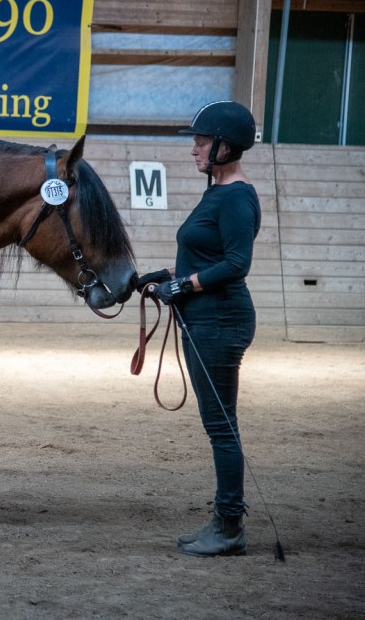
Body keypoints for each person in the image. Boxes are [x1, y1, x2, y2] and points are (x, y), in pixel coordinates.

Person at [136, 100, 261, 557]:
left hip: (220, 321)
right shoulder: (216, 193)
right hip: (205, 318)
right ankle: (224, 522)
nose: (194, 149)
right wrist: (164, 275)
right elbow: (208, 257)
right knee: (219, 424)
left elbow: (236, 263)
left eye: (202, 141)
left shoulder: (237, 197)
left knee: (221, 427)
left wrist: (183, 285)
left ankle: (229, 527)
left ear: (225, 147)